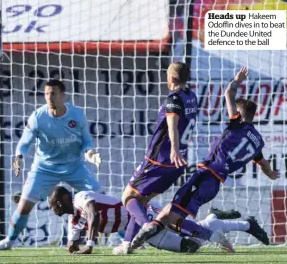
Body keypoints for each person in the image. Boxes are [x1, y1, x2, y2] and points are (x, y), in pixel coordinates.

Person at [130, 67, 280, 253]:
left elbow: (228, 92)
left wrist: (237, 80)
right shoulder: (257, 141)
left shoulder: (236, 125)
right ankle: (214, 226)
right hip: (214, 184)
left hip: (205, 176)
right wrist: (274, 174)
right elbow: (265, 166)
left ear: (239, 116)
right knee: (169, 215)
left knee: (167, 216)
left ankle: (214, 237)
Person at [0, 79, 102, 250]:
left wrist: (90, 153)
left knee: (100, 201)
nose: (49, 97)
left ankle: (127, 240)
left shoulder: (77, 115)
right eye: (47, 93)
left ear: (62, 95)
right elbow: (24, 143)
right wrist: (19, 156)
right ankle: (8, 241)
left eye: (53, 93)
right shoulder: (38, 117)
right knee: (24, 205)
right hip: (44, 168)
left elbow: (86, 141)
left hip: (74, 167)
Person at [118, 62, 210, 253]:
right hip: (177, 164)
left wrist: (174, 149)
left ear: (171, 79)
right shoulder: (191, 96)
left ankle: (146, 226)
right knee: (141, 201)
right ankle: (127, 244)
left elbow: (172, 124)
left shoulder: (173, 98)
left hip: (159, 160)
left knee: (128, 196)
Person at [48, 187, 269, 255]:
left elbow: (94, 214)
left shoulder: (79, 198)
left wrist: (90, 245)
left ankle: (244, 224)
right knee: (190, 247)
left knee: (187, 227)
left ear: (65, 198)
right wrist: (73, 246)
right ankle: (215, 218)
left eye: (55, 204)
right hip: (134, 230)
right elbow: (72, 243)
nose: (54, 209)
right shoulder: (72, 219)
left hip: (142, 216)